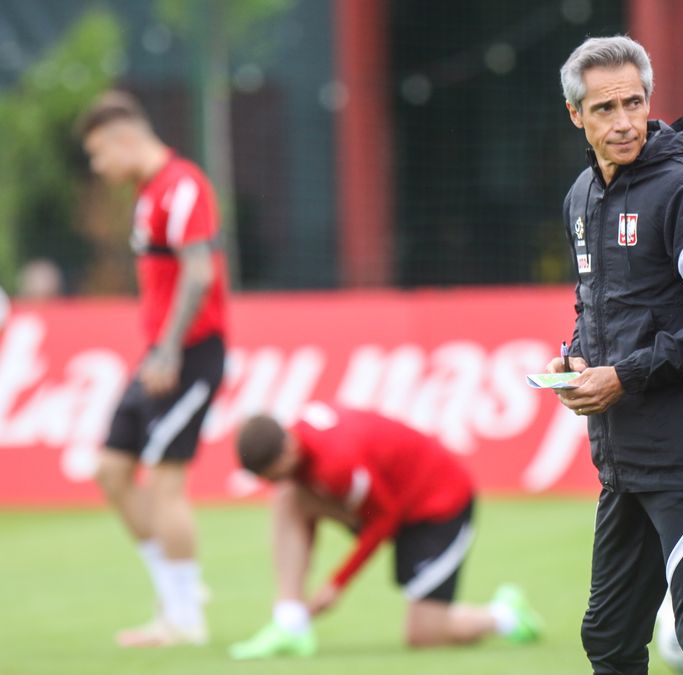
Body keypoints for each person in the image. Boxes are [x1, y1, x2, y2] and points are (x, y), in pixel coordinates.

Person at [552, 35, 683, 675]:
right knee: (609, 637)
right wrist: (577, 361)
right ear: (575, 115)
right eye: (605, 109)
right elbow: (597, 308)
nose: (623, 122)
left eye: (633, 103)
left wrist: (627, 376)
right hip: (624, 459)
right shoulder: (582, 197)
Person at [81, 91, 229, 647]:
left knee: (167, 486)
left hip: (189, 355)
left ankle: (185, 618)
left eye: (99, 154)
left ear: (125, 140)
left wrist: (168, 349)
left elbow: (199, 274)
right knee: (111, 472)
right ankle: (178, 589)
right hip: (158, 356)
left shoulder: (184, 184)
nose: (98, 167)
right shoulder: (148, 195)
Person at [228, 403, 541, 658]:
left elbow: (383, 518)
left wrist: (336, 585)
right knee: (289, 497)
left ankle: (506, 615)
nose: (271, 482)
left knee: (425, 635)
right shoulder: (298, 445)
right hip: (397, 500)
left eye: (271, 474)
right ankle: (290, 622)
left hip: (439, 505)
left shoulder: (336, 465)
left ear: (287, 451)